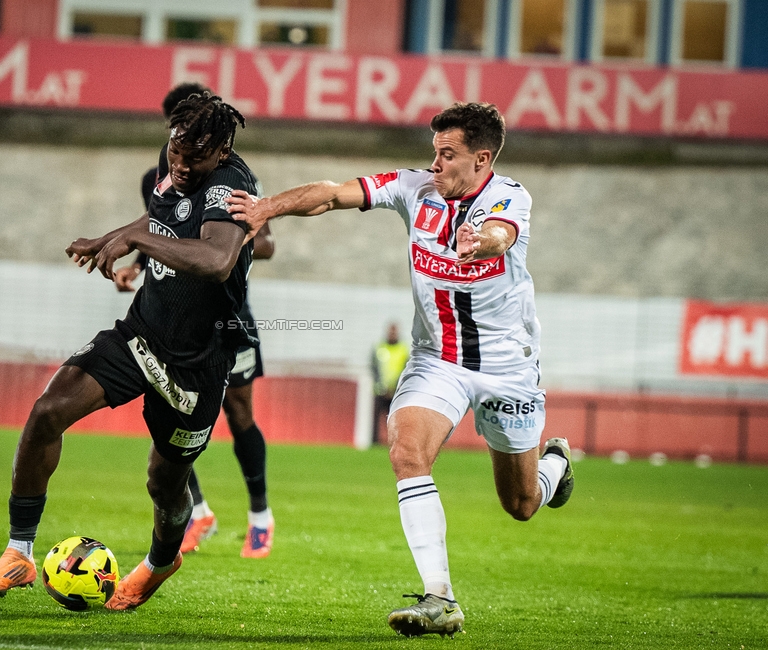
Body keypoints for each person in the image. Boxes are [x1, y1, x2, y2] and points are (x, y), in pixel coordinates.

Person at [227, 102, 574, 637]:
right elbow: (334, 193)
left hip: (507, 367)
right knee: (407, 451)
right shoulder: (413, 188)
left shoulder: (510, 196)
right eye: (434, 152)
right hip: (437, 359)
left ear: (482, 158)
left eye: (448, 154)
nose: (435, 164)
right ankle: (441, 597)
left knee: (522, 504)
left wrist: (481, 241)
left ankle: (554, 467)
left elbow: (502, 233)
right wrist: (267, 207)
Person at [0, 92, 257, 610]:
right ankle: (18, 551)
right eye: (175, 154)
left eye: (193, 159)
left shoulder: (231, 187)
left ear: (221, 152)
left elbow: (217, 259)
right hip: (141, 333)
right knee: (47, 412)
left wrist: (141, 243)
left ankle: (159, 561)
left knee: (165, 484)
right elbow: (158, 220)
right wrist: (113, 237)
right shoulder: (175, 162)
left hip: (196, 365)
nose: (180, 166)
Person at [115, 82, 277, 559]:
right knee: (169, 414)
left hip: (227, 318)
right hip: (172, 320)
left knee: (240, 413)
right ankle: (200, 511)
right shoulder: (159, 179)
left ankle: (260, 517)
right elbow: (164, 236)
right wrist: (137, 267)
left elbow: (266, 244)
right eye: (180, 132)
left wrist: (228, 242)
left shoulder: (235, 179)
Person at [371, 322, 408, 445]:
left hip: (397, 392)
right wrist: (381, 386)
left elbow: (405, 369)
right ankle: (374, 442)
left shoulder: (403, 349)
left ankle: (395, 443)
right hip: (380, 391)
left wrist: (395, 387)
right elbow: (374, 368)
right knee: (375, 419)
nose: (392, 334)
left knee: (397, 420)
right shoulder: (379, 347)